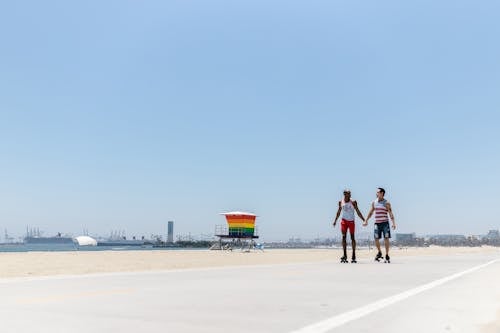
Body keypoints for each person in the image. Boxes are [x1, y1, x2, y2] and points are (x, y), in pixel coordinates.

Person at [363, 187, 396, 263]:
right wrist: (366, 220)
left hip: (385, 223)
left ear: (382, 193)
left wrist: (393, 223)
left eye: (378, 192)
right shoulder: (374, 202)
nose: (376, 193)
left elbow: (390, 213)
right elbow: (371, 212)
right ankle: (380, 252)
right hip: (377, 223)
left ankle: (387, 255)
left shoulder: (386, 203)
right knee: (376, 238)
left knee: (386, 238)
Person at [333, 189, 365, 263]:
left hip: (351, 221)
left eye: (350, 194)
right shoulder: (341, 202)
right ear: (345, 194)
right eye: (348, 194)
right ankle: (345, 255)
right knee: (343, 237)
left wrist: (364, 219)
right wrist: (335, 221)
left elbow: (357, 211)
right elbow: (338, 212)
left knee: (352, 237)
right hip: (344, 221)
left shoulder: (353, 202)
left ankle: (353, 255)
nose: (350, 195)